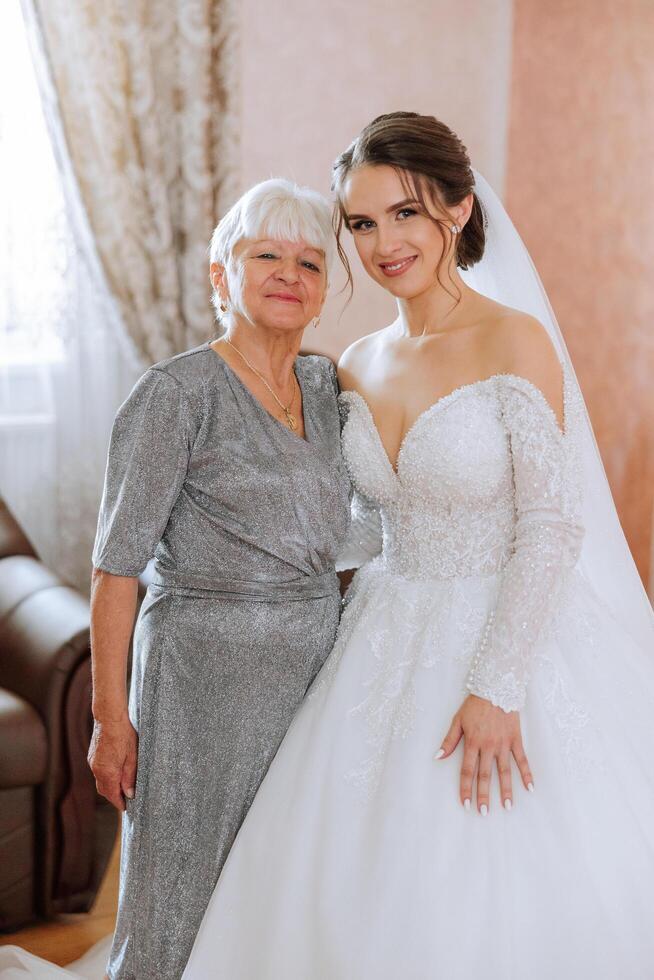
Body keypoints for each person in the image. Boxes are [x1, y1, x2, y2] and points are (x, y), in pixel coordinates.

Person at [180, 114, 654, 979]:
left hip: (507, 633)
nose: (382, 243)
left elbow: (552, 522)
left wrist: (496, 685)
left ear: (458, 210)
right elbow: (354, 518)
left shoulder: (514, 339)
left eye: (404, 213)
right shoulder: (355, 361)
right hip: (383, 630)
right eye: (359, 223)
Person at [0, 177, 351, 980]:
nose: (289, 273)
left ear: (325, 292)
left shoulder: (330, 390)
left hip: (312, 681)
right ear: (222, 276)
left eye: (309, 261)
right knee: (181, 891)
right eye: (266, 254)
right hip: (200, 684)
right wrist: (109, 719)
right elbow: (115, 566)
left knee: (280, 885)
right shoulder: (174, 395)